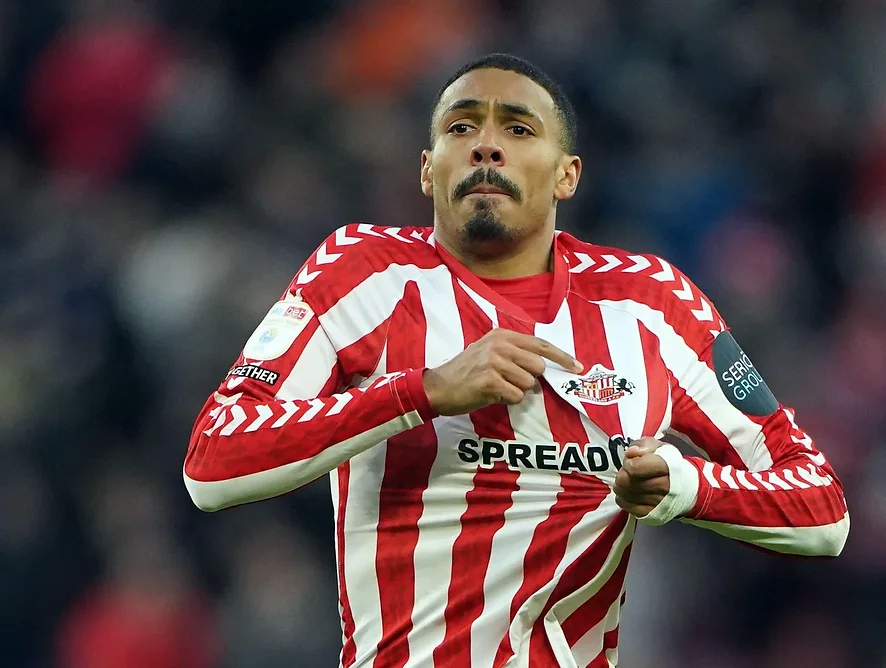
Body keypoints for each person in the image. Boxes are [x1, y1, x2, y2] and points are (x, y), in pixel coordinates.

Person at [184, 53, 849, 668]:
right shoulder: (363, 273)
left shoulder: (652, 304)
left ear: (567, 175)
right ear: (428, 169)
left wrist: (683, 486)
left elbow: (822, 509)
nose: (486, 144)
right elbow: (212, 462)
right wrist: (421, 392)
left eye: (519, 129)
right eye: (461, 127)